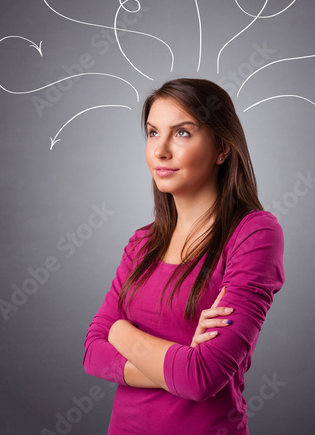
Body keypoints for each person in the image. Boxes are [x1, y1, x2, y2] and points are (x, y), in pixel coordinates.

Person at [83, 78, 285, 434]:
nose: (160, 151)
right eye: (152, 132)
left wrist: (121, 332)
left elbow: (201, 378)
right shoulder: (141, 243)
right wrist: (178, 361)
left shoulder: (254, 234)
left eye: (182, 133)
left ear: (222, 148)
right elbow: (93, 353)